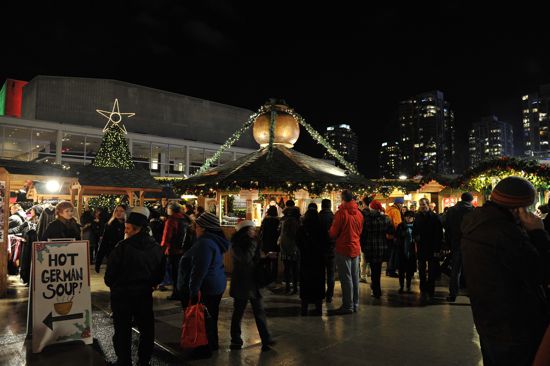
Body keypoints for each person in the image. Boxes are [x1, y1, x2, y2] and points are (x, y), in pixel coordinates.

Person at [462, 176, 550, 365]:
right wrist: (537, 233)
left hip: (489, 320)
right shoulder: (505, 234)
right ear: (517, 207)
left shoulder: (476, 223)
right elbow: (540, 272)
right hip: (516, 327)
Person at [105, 206, 165, 366]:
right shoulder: (156, 247)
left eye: (127, 228)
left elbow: (109, 277)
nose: (125, 230)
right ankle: (144, 361)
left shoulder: (122, 248)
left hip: (122, 296)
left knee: (123, 330)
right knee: (146, 330)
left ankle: (124, 361)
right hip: (144, 294)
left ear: (136, 229)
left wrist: (115, 285)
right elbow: (160, 272)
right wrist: (151, 284)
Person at [185, 212, 230, 357]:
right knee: (211, 316)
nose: (195, 229)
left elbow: (199, 270)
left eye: (196, 226)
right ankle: (212, 343)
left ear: (203, 228)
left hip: (208, 285)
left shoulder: (204, 243)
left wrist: (193, 290)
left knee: (203, 318)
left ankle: (204, 349)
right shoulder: (214, 240)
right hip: (217, 282)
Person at [229, 220, 275, 352]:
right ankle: (235, 340)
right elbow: (246, 259)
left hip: (253, 282)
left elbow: (253, 259)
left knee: (259, 311)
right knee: (238, 312)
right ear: (245, 231)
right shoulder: (237, 244)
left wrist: (266, 257)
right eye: (252, 230)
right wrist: (254, 245)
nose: (254, 232)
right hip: (243, 282)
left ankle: (266, 339)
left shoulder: (250, 243)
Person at [329, 190, 363, 315]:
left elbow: (333, 232)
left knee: (346, 278)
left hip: (343, 248)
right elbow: (360, 231)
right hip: (355, 247)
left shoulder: (341, 213)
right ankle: (355, 303)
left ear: (343, 198)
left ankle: (347, 305)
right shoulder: (359, 213)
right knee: (355, 277)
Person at [443, 192, 474, 302]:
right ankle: (473, 294)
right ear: (471, 200)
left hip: (456, 243)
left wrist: (447, 243)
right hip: (471, 244)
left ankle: (453, 294)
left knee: (456, 269)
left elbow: (447, 228)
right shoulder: (473, 211)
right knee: (471, 270)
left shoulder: (452, 210)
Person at [297, 203, 326, 315]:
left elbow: (298, 241)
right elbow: (326, 242)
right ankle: (318, 306)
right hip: (318, 259)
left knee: (305, 281)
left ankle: (304, 306)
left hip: (306, 258)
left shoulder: (302, 228)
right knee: (318, 281)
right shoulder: (321, 227)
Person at [361, 200, 393, 299]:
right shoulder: (386, 219)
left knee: (372, 268)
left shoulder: (367, 219)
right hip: (382, 247)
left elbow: (363, 233)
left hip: (370, 247)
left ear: (372, 208)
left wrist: (363, 246)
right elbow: (391, 232)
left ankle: (375, 288)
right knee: (377, 269)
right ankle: (376, 289)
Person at [161, 202, 192, 300]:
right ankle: (183, 291)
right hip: (185, 250)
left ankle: (177, 294)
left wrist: (162, 249)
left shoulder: (171, 220)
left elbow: (166, 237)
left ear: (171, 210)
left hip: (174, 251)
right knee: (182, 273)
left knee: (175, 273)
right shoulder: (186, 218)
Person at [413, 198, 443, 300]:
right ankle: (423, 288)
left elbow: (439, 234)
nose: (422, 206)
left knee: (431, 270)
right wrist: (416, 236)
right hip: (421, 247)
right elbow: (415, 230)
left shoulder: (435, 217)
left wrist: (437, 249)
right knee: (421, 269)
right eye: (421, 205)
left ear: (428, 205)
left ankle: (431, 289)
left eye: (424, 204)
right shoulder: (417, 217)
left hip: (432, 247)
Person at [278, 200, 301, 295]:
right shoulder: (299, 221)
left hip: (285, 247)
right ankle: (295, 288)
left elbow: (280, 233)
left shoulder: (283, 220)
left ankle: (287, 287)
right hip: (296, 248)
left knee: (287, 268)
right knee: (295, 268)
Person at [95, 204, 126, 273]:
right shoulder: (109, 225)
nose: (118, 213)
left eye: (121, 211)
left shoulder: (129, 226)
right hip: (113, 255)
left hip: (126, 257)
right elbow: (104, 243)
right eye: (116, 211)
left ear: (126, 213)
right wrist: (98, 262)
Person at [395, 211, 417, 293]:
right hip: (402, 250)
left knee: (409, 270)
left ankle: (408, 286)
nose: (409, 218)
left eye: (410, 217)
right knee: (401, 270)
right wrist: (402, 235)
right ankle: (401, 286)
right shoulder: (400, 225)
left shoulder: (415, 226)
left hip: (411, 251)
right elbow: (396, 237)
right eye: (407, 216)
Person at [319, 199, 336, 303]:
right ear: (330, 206)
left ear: (322, 206)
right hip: (332, 248)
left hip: (320, 248)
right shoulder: (334, 217)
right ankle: (329, 295)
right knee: (331, 273)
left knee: (320, 273)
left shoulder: (318, 217)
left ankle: (320, 293)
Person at [259, 206, 280, 285]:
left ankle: (267, 278)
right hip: (275, 245)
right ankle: (274, 278)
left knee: (267, 261)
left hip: (266, 244)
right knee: (274, 262)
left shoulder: (265, 220)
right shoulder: (278, 220)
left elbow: (261, 232)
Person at [385, 197, 404, 277]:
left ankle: (388, 270)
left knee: (389, 253)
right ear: (398, 203)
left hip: (387, 235)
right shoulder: (396, 211)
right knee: (393, 253)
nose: (402, 206)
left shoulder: (388, 210)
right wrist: (400, 234)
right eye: (401, 204)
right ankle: (391, 270)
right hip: (394, 236)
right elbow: (397, 224)